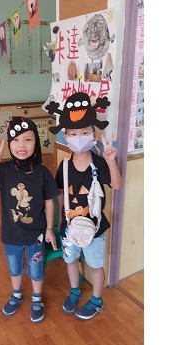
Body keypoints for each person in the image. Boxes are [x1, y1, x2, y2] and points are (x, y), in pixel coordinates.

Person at [0, 117, 58, 323]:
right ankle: (16, 294)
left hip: (36, 235)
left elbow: (49, 202)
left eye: (28, 139)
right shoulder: (3, 170)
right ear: (9, 144)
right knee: (15, 268)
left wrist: (49, 229)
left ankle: (37, 299)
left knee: (36, 269)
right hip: (11, 234)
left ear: (36, 143)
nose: (21, 145)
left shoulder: (43, 173)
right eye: (16, 140)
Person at [55, 125, 122, 320]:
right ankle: (74, 290)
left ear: (94, 135)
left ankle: (96, 300)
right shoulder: (64, 166)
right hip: (70, 226)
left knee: (95, 265)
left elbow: (117, 185)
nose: (79, 137)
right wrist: (60, 221)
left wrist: (110, 161)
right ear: (66, 136)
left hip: (95, 229)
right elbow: (60, 194)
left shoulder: (99, 163)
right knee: (71, 260)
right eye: (73, 134)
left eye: (84, 133)